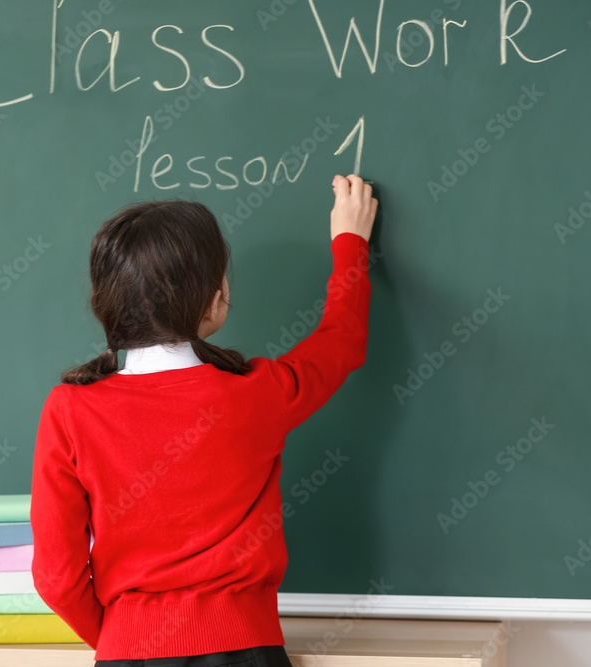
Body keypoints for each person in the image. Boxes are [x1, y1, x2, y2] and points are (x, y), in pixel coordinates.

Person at [30, 174, 378, 666]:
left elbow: (56, 577)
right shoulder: (260, 392)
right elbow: (341, 340)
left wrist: (122, 638)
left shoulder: (69, 410)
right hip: (247, 647)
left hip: (127, 651)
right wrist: (350, 240)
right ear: (214, 298)